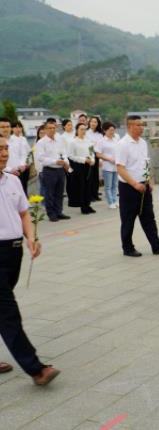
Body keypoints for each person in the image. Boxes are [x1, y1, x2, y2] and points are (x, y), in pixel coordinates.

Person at [0, 136, 61, 385]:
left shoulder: (12, 180)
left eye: (5, 148)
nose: (4, 153)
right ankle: (36, 368)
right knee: (7, 310)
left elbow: (24, 212)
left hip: (14, 252)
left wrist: (32, 237)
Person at [115, 115, 159, 257]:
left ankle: (156, 246)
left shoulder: (143, 143)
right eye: (138, 125)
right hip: (129, 187)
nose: (141, 128)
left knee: (149, 217)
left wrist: (150, 180)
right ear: (130, 126)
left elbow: (145, 163)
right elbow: (120, 168)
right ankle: (127, 248)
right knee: (128, 218)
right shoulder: (123, 144)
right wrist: (134, 184)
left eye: (142, 125)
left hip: (144, 185)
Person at [36, 119, 71, 222]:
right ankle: (51, 214)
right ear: (45, 130)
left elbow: (64, 153)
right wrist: (55, 161)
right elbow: (41, 158)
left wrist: (65, 162)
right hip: (49, 170)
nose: (52, 130)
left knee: (60, 193)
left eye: (54, 128)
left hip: (60, 170)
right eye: (49, 128)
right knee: (49, 194)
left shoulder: (59, 140)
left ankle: (59, 212)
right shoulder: (41, 142)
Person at [67, 123, 96, 215]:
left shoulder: (89, 141)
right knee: (81, 186)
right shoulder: (73, 142)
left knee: (89, 186)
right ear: (77, 130)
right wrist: (84, 160)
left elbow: (92, 153)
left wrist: (92, 160)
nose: (83, 131)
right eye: (81, 129)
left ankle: (88, 204)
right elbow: (70, 156)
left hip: (89, 166)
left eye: (84, 129)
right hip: (79, 166)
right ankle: (83, 206)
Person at [98, 121, 119, 209]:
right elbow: (98, 154)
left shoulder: (116, 140)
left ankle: (115, 200)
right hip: (107, 166)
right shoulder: (101, 141)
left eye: (113, 130)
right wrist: (108, 159)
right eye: (110, 130)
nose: (112, 132)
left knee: (115, 185)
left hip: (116, 166)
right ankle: (110, 202)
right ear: (105, 130)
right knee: (108, 186)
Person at [8, 121, 31, 195]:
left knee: (24, 185)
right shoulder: (10, 139)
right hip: (16, 168)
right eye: (16, 127)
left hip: (25, 167)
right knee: (17, 187)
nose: (18, 129)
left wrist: (28, 163)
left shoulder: (23, 139)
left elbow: (28, 152)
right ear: (12, 129)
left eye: (20, 127)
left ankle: (25, 202)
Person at [87, 116, 104, 202]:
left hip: (97, 155)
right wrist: (91, 156)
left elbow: (101, 147)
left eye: (95, 122)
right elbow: (88, 145)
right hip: (89, 156)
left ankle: (95, 194)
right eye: (92, 121)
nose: (93, 123)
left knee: (95, 176)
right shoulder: (86, 133)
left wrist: (100, 159)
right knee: (90, 176)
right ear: (89, 123)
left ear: (98, 124)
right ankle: (90, 196)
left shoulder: (100, 134)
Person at [34, 124, 46, 202]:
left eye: (44, 133)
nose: (42, 135)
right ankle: (43, 202)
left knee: (47, 187)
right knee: (43, 186)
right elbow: (36, 158)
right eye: (40, 133)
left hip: (48, 168)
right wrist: (38, 170)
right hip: (41, 169)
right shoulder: (37, 143)